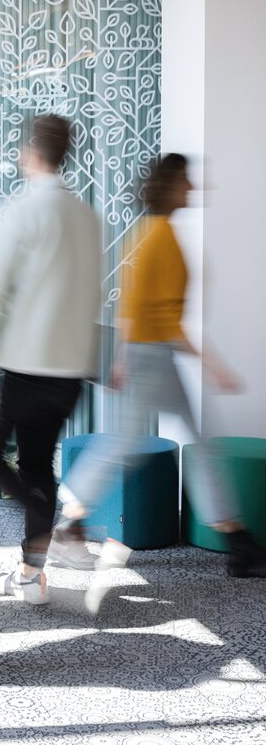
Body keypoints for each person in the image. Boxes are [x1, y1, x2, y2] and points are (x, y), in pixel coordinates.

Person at [59, 153, 266, 580]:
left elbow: (134, 302)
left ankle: (237, 540)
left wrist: (123, 356)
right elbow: (157, 313)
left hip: (151, 356)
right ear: (171, 186)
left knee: (172, 443)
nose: (193, 188)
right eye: (186, 181)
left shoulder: (150, 232)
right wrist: (213, 364)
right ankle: (71, 519)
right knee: (126, 445)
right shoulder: (160, 238)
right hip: (152, 358)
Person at [0, 115, 102, 606]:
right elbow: (91, 294)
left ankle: (46, 537)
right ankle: (31, 571)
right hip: (69, 368)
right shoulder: (87, 215)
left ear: (30, 153)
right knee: (38, 466)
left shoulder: (23, 210)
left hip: (26, 365)